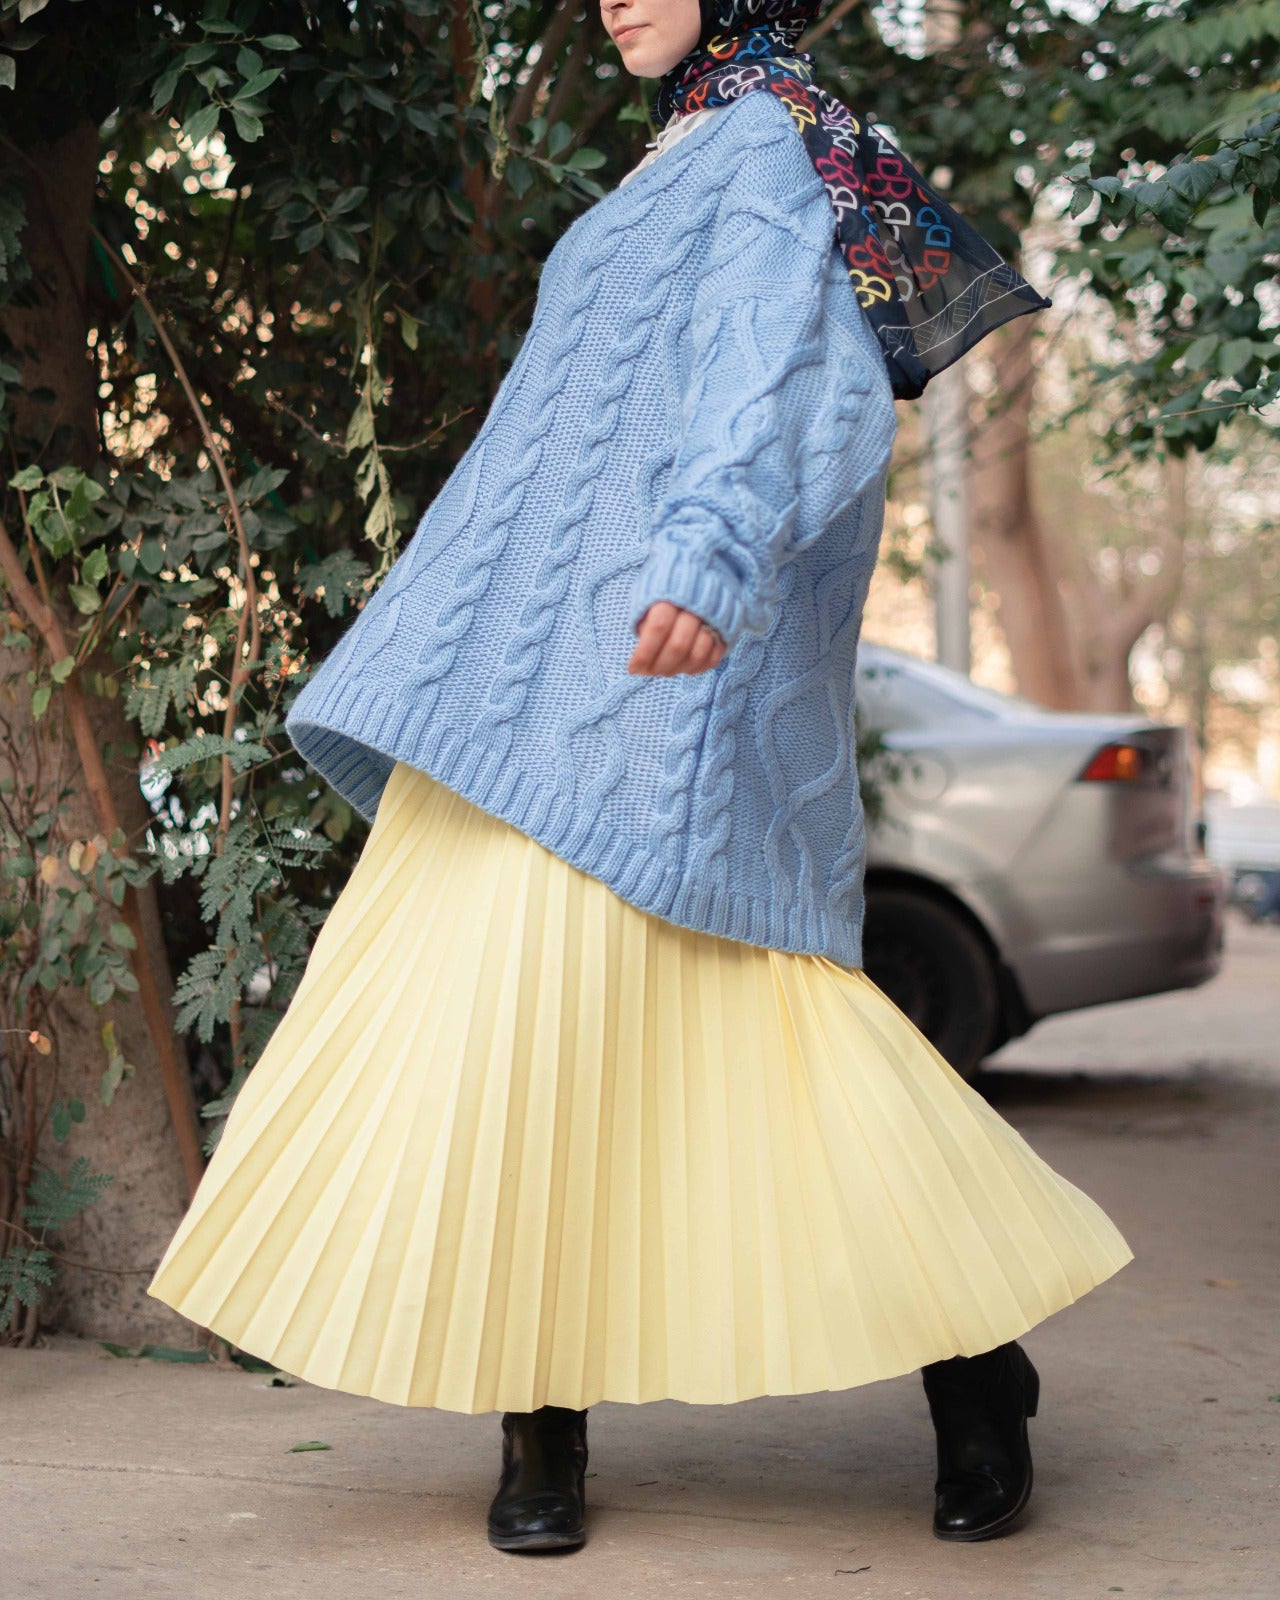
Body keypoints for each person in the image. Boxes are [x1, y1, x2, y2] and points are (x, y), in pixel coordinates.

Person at [147, 0, 1132, 1557]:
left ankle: (970, 1366)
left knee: (760, 1023)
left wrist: (713, 550)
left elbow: (781, 373)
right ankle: (540, 1416)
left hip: (658, 657)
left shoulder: (763, 138)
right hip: (523, 677)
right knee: (507, 1030)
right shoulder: (690, 138)